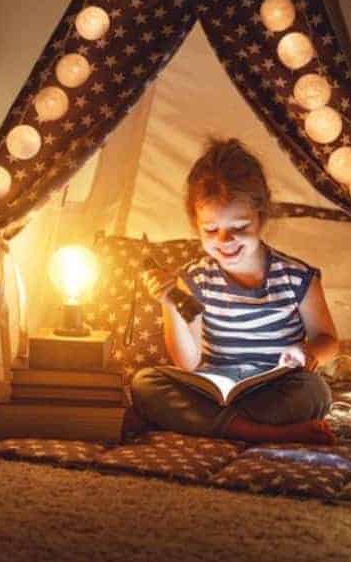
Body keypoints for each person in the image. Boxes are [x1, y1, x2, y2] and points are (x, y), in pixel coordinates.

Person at [129, 137, 338, 444]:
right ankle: (265, 433)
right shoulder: (194, 278)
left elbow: (329, 341)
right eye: (211, 230)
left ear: (261, 217)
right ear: (196, 224)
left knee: (315, 392)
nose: (225, 240)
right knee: (145, 383)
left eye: (239, 228)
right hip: (215, 390)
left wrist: (307, 353)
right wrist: (169, 302)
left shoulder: (297, 277)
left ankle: (223, 426)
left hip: (272, 390)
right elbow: (187, 363)